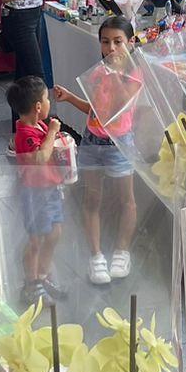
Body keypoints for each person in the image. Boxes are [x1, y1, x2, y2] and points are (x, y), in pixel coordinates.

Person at [53, 16, 139, 285]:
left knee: (126, 199)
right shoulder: (100, 71)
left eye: (118, 42)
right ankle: (96, 255)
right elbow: (95, 110)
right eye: (105, 42)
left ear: (130, 44)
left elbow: (120, 107)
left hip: (119, 143)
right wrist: (70, 98)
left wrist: (114, 75)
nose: (111, 48)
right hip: (92, 141)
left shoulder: (133, 74)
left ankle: (122, 251)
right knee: (92, 199)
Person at [10, 76, 66, 303]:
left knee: (55, 233)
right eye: (46, 98)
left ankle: (42, 276)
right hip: (34, 194)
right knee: (35, 241)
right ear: (38, 107)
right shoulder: (25, 134)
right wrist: (53, 132)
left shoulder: (38, 125)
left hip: (50, 189)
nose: (49, 102)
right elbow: (40, 157)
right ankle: (31, 283)